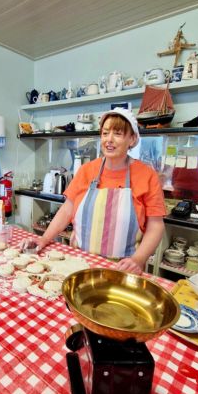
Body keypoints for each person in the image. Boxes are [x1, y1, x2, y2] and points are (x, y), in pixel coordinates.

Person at [23, 107, 166, 275]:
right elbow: (67, 209)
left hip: (123, 269)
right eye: (105, 133)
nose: (109, 140)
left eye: (118, 134)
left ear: (132, 139)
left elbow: (156, 225)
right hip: (79, 263)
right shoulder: (87, 171)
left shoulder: (147, 175)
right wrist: (44, 238)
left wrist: (138, 259)